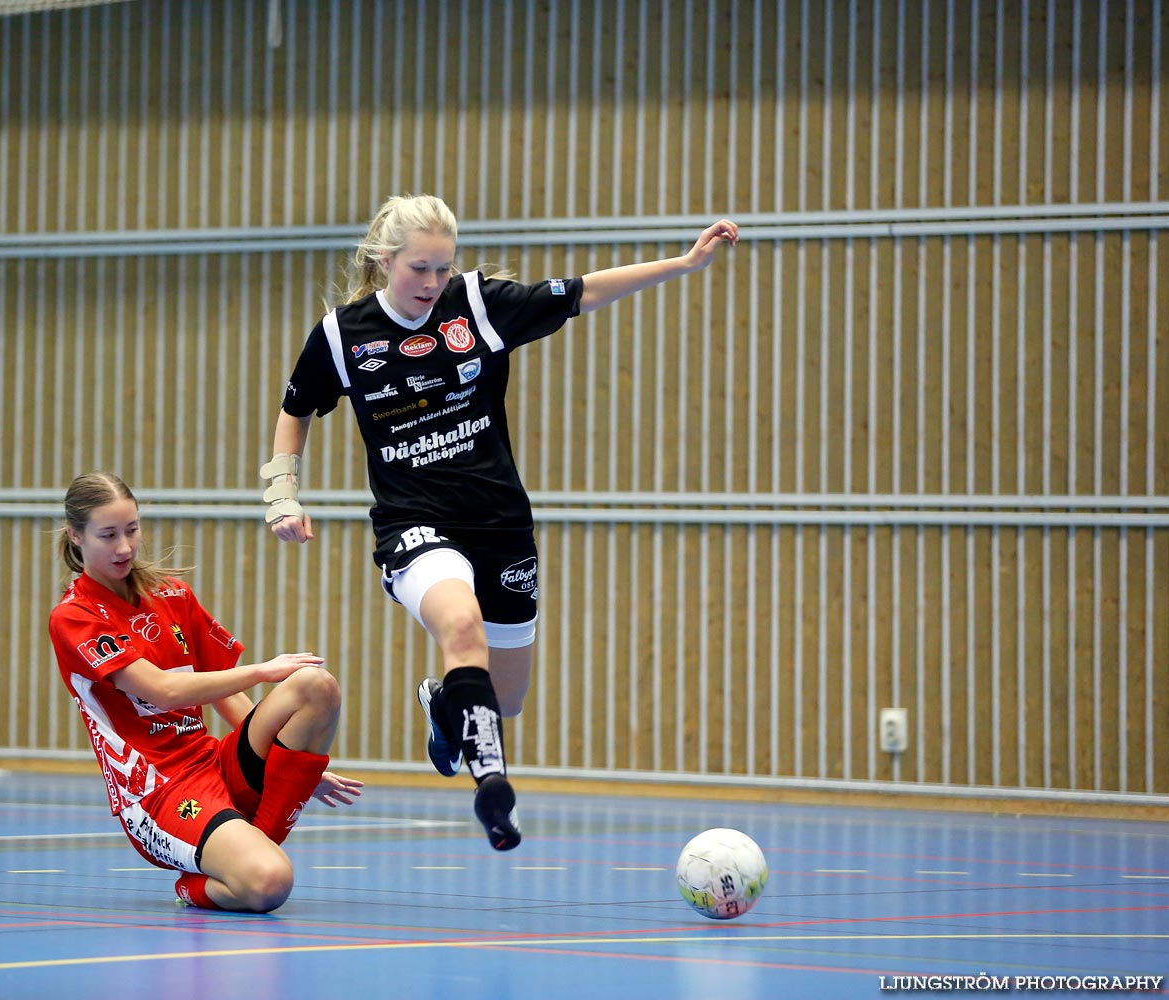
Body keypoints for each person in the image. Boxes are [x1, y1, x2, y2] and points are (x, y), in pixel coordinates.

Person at [265, 194, 739, 851]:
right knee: (460, 626)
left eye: (441, 269)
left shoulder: (478, 306)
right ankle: (493, 785)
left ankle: (444, 702)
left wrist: (684, 264)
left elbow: (582, 293)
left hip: (500, 526)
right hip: (414, 523)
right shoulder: (343, 337)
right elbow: (298, 407)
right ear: (385, 261)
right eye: (418, 269)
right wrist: (281, 495)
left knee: (504, 696)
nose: (431, 284)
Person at [48, 471, 363, 912]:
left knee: (316, 686)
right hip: (159, 795)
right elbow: (164, 691)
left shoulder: (172, 594)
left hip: (212, 762)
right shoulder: (74, 617)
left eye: (132, 530)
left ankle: (246, 854)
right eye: (108, 535)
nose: (124, 547)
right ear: (76, 537)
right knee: (270, 882)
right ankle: (196, 885)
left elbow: (221, 689)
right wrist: (262, 672)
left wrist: (288, 763)